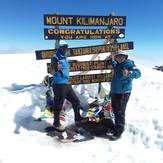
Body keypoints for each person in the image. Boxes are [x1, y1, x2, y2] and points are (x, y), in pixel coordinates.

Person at [50, 40, 84, 131]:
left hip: (67, 84)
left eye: (65, 47)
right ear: (59, 48)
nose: (64, 49)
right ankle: (56, 124)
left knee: (76, 101)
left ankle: (78, 118)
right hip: (59, 85)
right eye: (62, 47)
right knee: (58, 105)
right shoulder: (55, 57)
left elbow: (66, 61)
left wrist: (74, 60)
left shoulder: (64, 56)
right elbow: (51, 71)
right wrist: (56, 69)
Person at [107, 51, 141, 140]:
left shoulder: (129, 64)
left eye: (121, 56)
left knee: (120, 112)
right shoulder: (118, 64)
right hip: (115, 91)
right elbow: (115, 65)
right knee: (115, 111)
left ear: (125, 57)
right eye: (118, 56)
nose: (119, 58)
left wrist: (129, 73)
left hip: (123, 93)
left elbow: (138, 73)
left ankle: (119, 132)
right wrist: (111, 59)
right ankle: (117, 127)